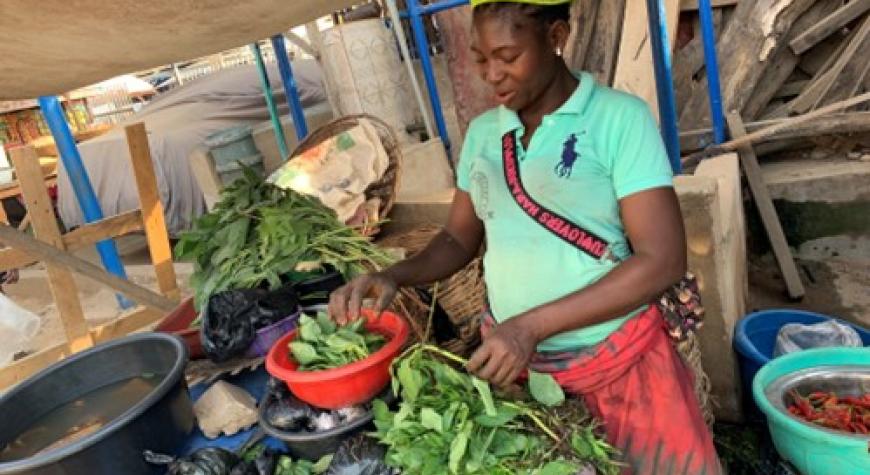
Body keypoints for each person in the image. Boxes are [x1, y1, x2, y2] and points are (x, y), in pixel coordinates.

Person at [329, 0, 721, 473]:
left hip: (620, 364)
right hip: (523, 374)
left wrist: (529, 326)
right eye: (479, 57)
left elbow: (661, 260)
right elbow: (458, 238)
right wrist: (394, 274)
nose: (491, 74)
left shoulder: (619, 120)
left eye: (507, 56)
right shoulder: (481, 137)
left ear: (556, 37)